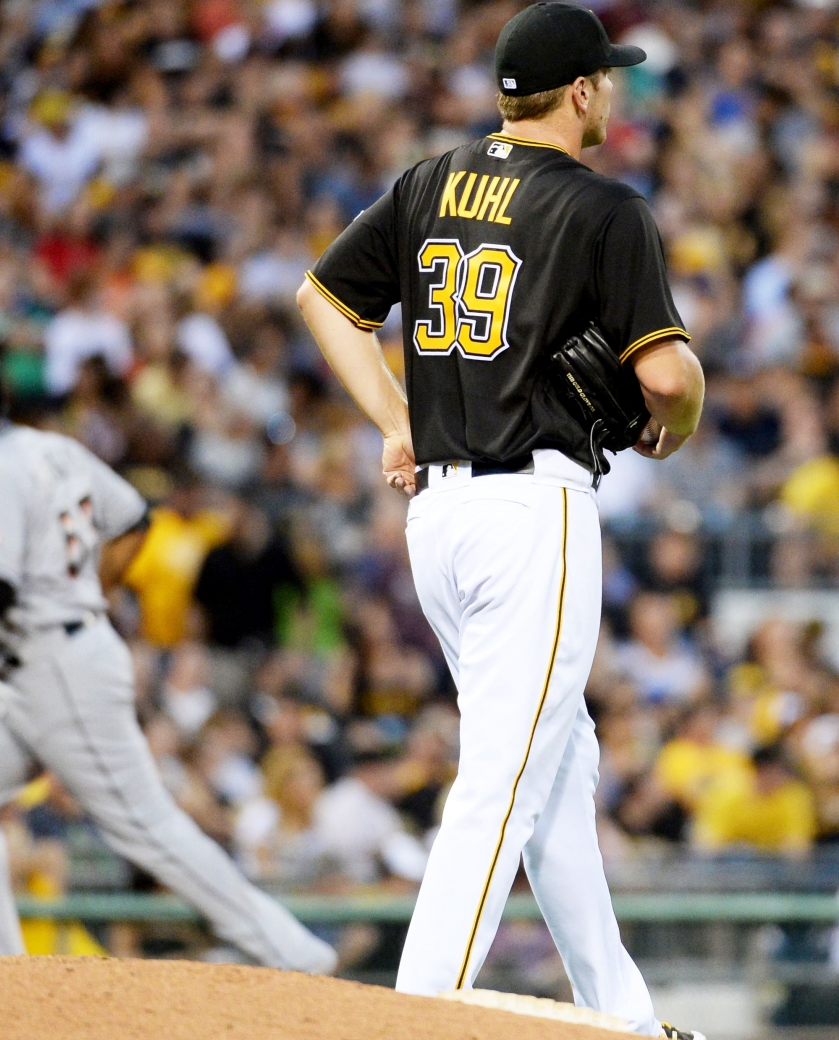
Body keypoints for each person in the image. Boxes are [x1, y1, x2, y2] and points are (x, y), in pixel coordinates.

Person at [297, 5, 704, 1038]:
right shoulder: (603, 208)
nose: (611, 90)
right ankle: (413, 1018)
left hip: (440, 516)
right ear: (579, 92)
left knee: (558, 768)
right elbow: (663, 373)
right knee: (505, 779)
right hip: (533, 510)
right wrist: (680, 416)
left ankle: (621, 1016)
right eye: (605, 77)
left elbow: (322, 299)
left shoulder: (430, 179)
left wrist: (396, 419)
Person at [0, 344, 336, 974]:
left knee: (145, 827)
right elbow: (134, 519)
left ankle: (293, 952)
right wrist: (91, 592)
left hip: (56, 666)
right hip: (33, 666)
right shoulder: (50, 449)